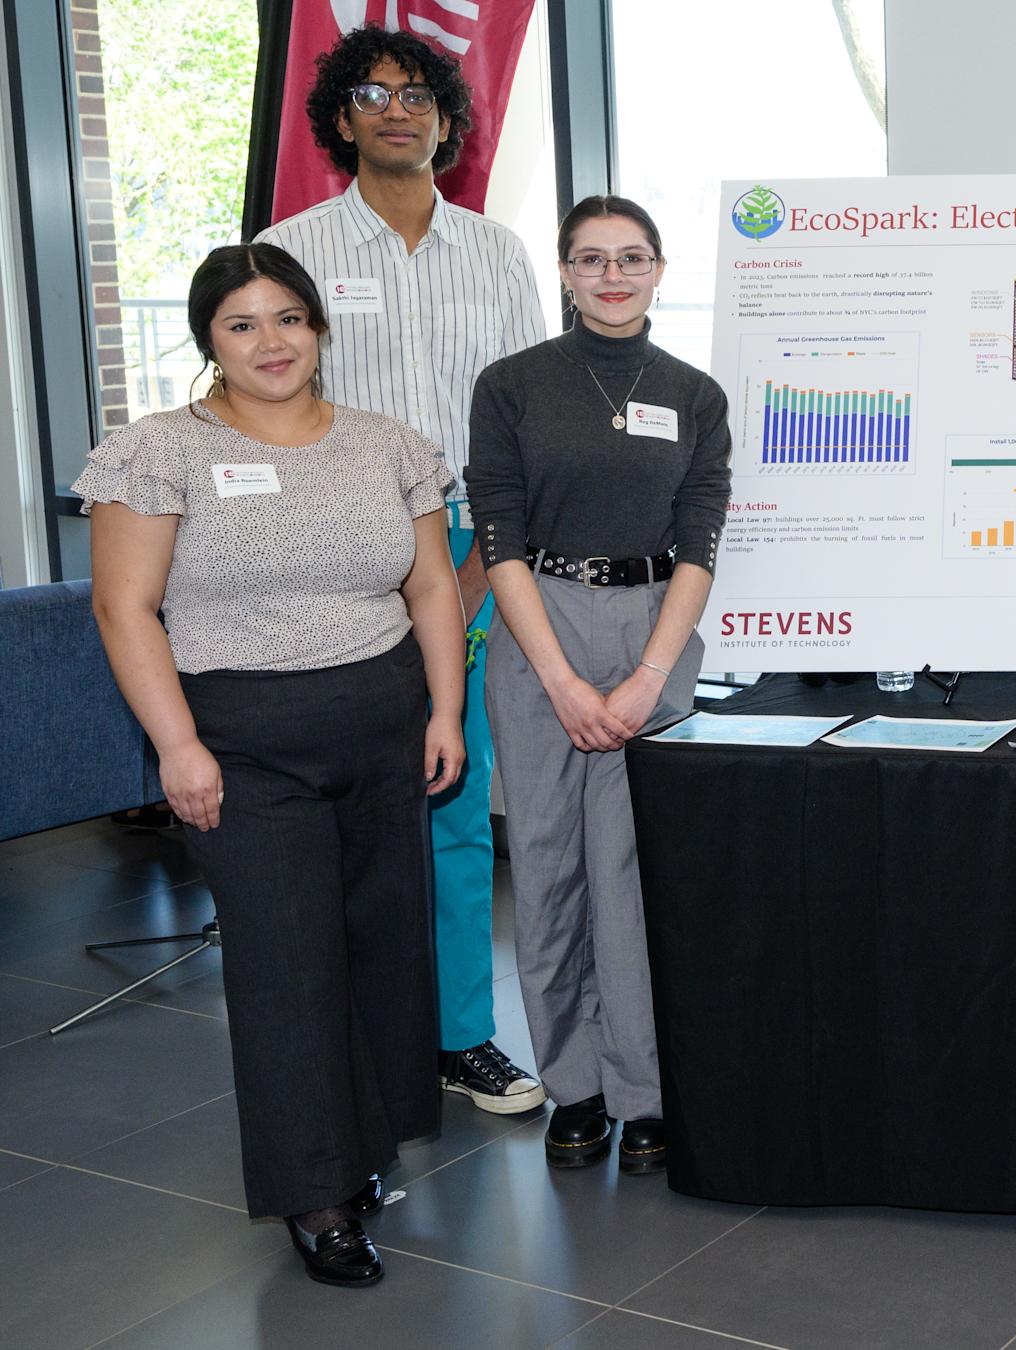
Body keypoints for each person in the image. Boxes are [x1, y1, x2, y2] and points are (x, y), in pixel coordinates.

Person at [78, 243, 464, 1287]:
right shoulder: (157, 451)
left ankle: (364, 1143)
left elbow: (433, 587)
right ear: (210, 339)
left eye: (289, 317)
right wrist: (178, 746)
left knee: (382, 945)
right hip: (243, 740)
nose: (271, 342)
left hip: (385, 723)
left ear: (319, 327)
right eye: (242, 324)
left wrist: (445, 712)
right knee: (286, 963)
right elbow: (124, 607)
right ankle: (314, 1191)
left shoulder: (388, 443)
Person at [256, 24, 548, 1117]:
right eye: (373, 93)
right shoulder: (291, 249)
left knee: (453, 793)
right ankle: (361, 1036)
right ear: (341, 118)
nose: (396, 109)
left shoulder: (497, 253)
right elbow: (265, 403)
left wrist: (481, 569)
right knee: (344, 806)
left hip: (467, 546)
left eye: (418, 92)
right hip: (340, 549)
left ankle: (462, 1036)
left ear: (446, 118)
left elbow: (523, 422)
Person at [468, 195, 730, 1176]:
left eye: (631, 258)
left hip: (655, 631)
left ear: (659, 269)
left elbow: (700, 543)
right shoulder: (512, 385)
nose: (612, 276)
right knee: (545, 864)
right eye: (591, 259)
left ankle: (645, 1089)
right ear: (565, 272)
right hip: (539, 626)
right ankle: (574, 1087)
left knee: (634, 871)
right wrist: (563, 682)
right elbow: (499, 537)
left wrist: (649, 676)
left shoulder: (696, 395)